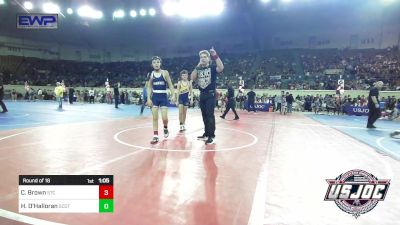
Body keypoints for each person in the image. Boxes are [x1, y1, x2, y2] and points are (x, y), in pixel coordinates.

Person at [191, 47, 224, 144]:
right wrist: (198, 65)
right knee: (204, 115)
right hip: (202, 94)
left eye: (205, 57)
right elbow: (192, 77)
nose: (203, 58)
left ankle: (211, 135)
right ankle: (206, 133)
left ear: (208, 58)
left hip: (210, 94)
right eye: (201, 57)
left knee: (210, 115)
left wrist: (215, 55)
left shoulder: (212, 67)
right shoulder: (199, 68)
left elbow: (221, 67)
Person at [147, 56, 175, 144]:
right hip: (155, 97)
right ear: (152, 64)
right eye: (154, 62)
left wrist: (173, 94)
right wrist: (148, 98)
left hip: (163, 97)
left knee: (164, 118)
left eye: (158, 62)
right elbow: (149, 87)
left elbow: (170, 84)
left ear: (160, 63)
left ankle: (165, 127)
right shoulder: (151, 74)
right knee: (155, 117)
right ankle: (155, 136)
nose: (156, 64)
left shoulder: (165, 73)